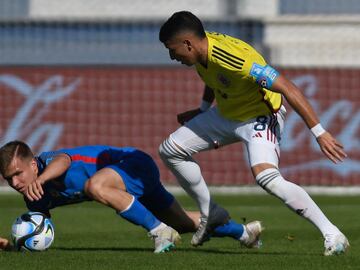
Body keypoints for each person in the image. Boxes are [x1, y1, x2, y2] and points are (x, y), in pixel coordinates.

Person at [158, 11, 349, 256]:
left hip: (261, 115)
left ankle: (333, 234)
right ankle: (210, 213)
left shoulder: (235, 59)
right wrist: (203, 110)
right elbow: (215, 77)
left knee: (267, 177)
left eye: (172, 49)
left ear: (188, 43)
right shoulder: (202, 51)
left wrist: (319, 132)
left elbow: (288, 87)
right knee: (171, 150)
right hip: (227, 113)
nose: (172, 56)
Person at [0, 140, 262, 253]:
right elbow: (39, 231)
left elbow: (64, 159)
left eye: (18, 173)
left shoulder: (47, 164)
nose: (15, 182)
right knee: (184, 223)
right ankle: (244, 233)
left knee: (95, 186)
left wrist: (44, 179)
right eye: (8, 179)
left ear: (33, 165)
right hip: (125, 187)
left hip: (133, 164)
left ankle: (160, 232)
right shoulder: (33, 197)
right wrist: (15, 245)